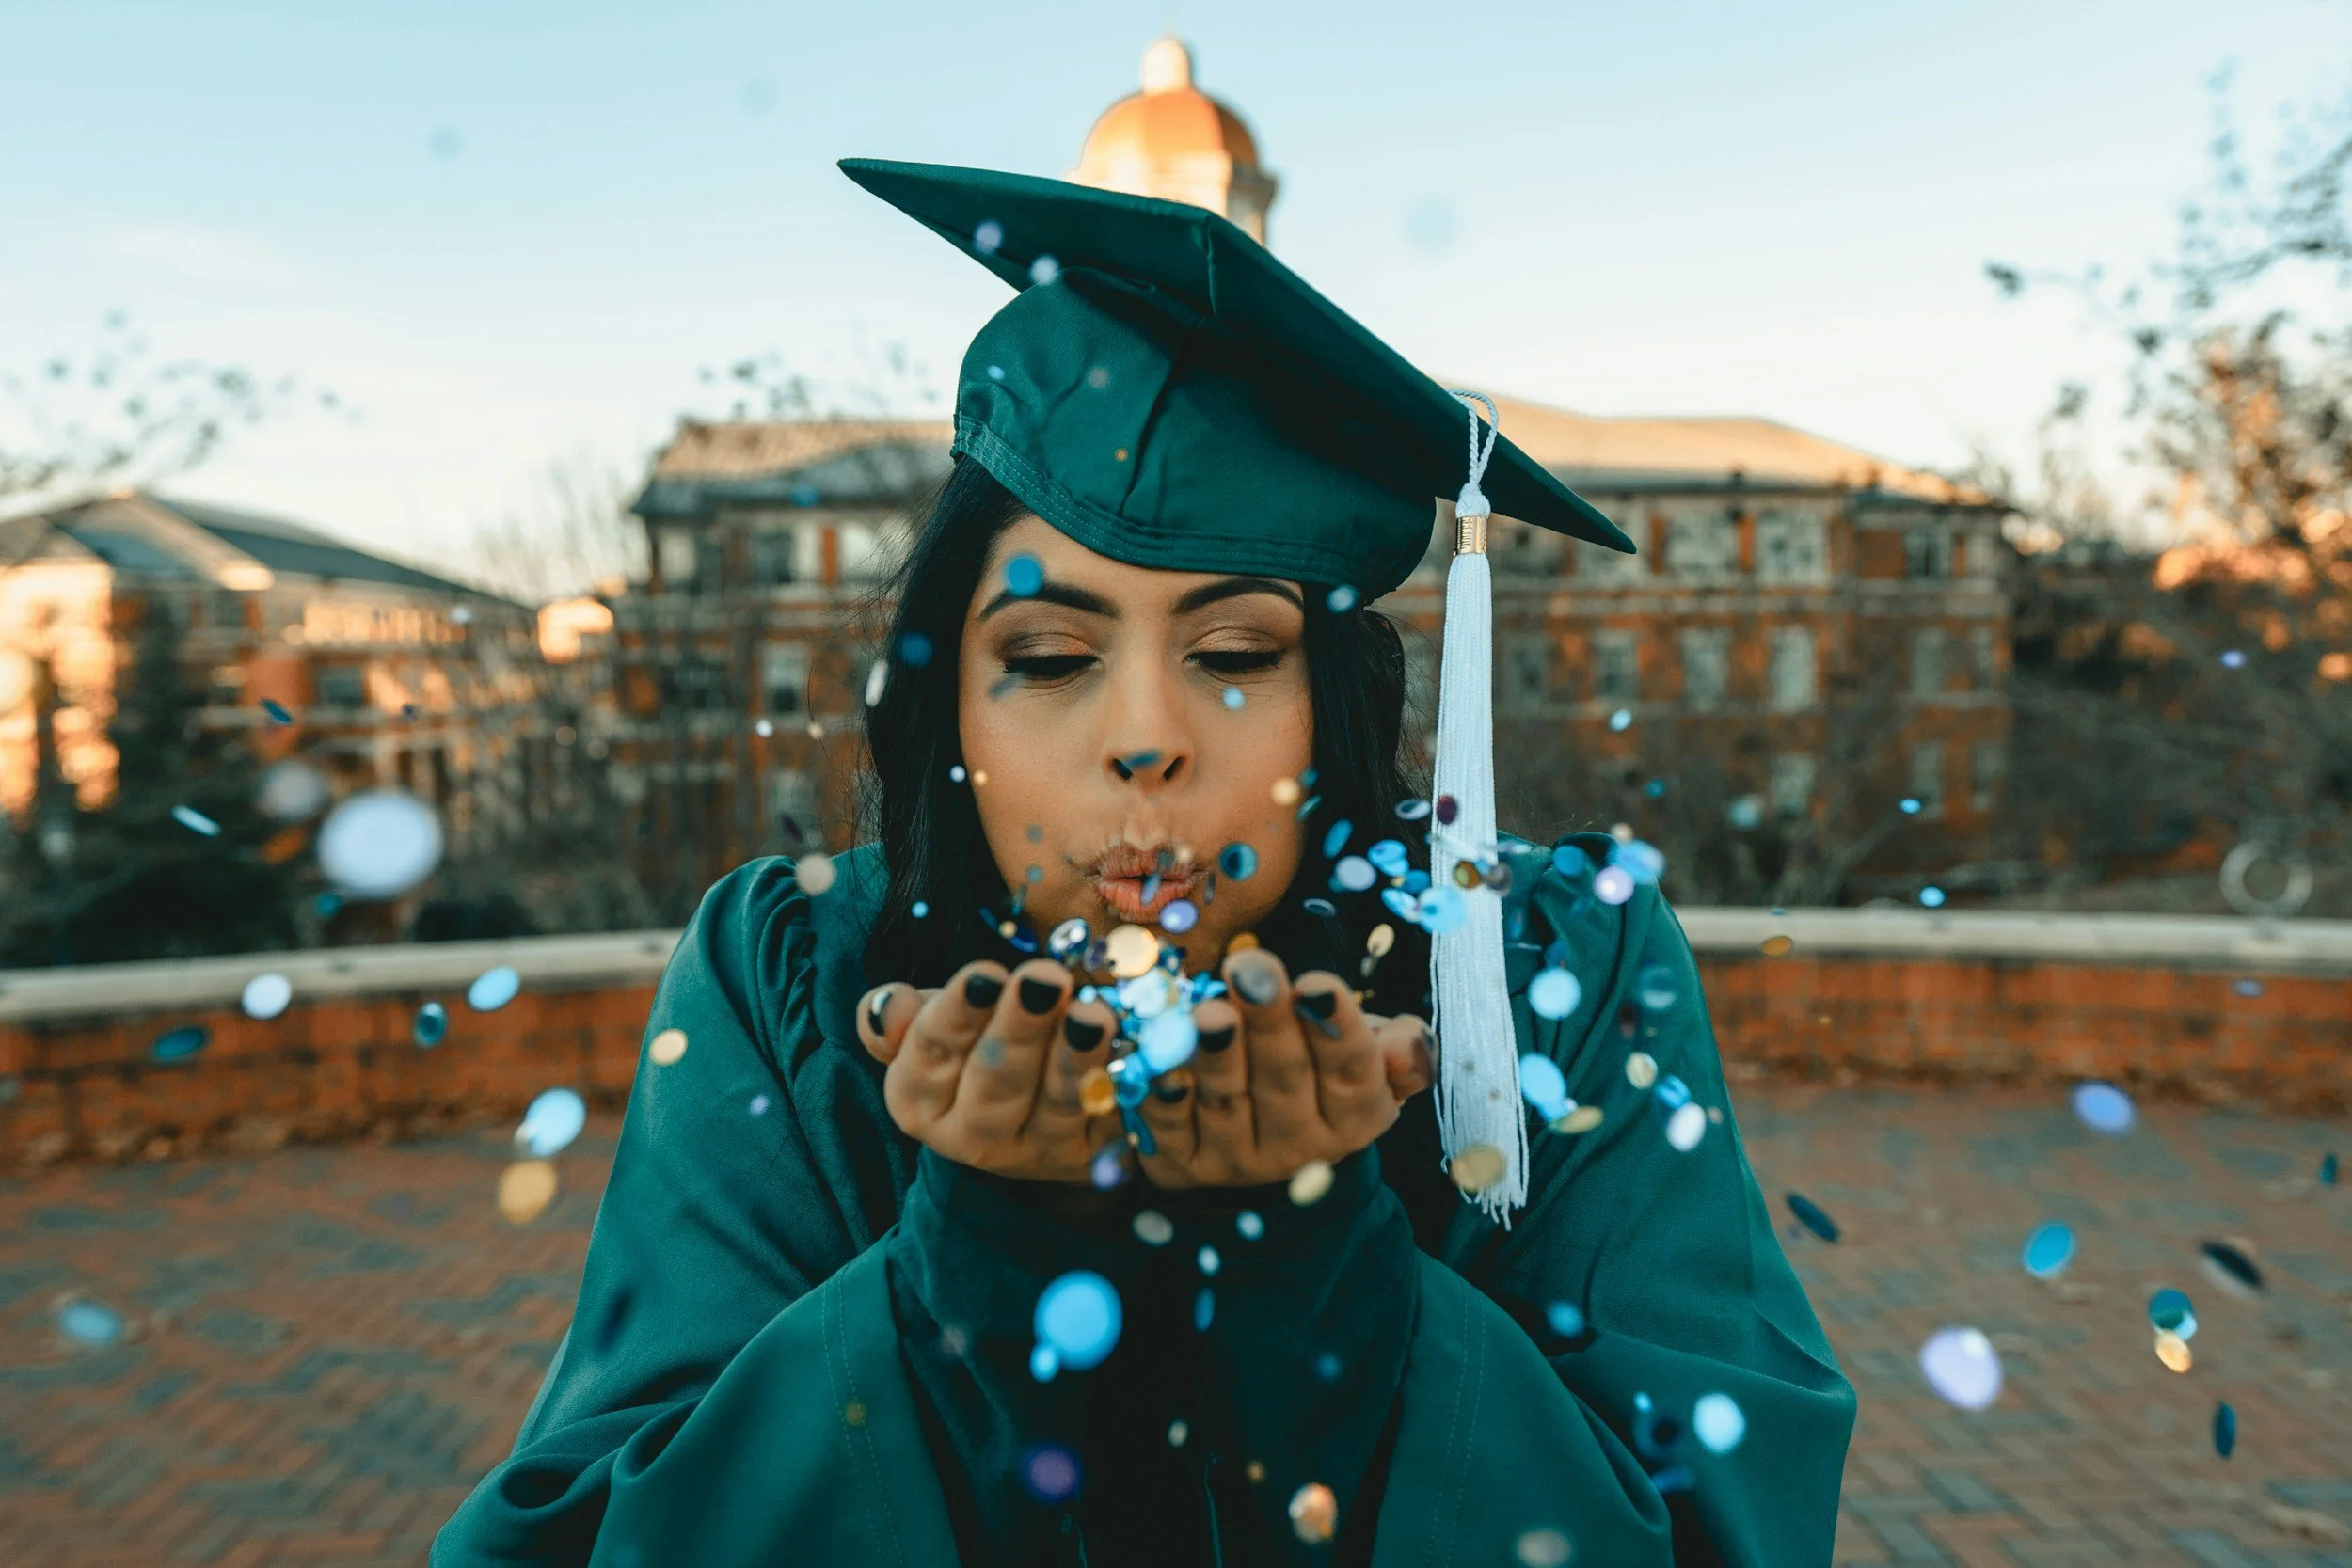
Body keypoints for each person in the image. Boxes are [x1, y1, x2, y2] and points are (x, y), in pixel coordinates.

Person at [435, 161, 1854, 1568]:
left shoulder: (1544, 971)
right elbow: (587, 1532)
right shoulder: (797, 977)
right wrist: (972, 1262)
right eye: (1049, 657)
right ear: (950, 706)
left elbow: (1721, 1527)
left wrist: (1325, 1276)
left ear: (1336, 703)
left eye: (1235, 654)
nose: (1144, 742)